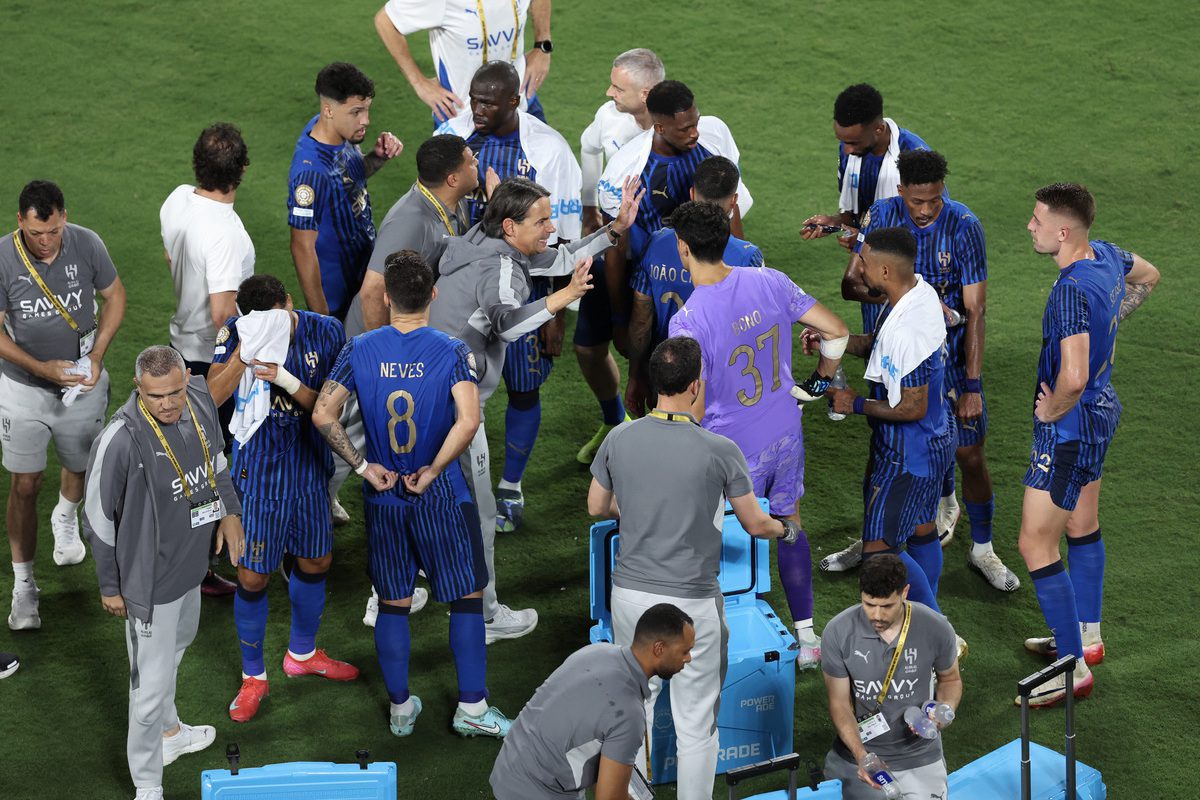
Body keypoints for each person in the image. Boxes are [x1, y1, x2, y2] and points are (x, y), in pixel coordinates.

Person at [429, 175, 642, 643]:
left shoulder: (478, 241)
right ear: (510, 226)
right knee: (481, 512)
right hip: (454, 406)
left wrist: (614, 228)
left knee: (419, 494)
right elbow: (507, 325)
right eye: (541, 220)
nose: (550, 227)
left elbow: (560, 256)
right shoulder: (502, 269)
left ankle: (401, 587)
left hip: (421, 389)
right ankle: (484, 617)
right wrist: (562, 297)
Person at [588, 336, 799, 800]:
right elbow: (755, 523)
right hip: (692, 605)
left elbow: (597, 506)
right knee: (697, 724)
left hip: (630, 600)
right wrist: (787, 531)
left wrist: (636, 509)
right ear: (696, 385)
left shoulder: (619, 437)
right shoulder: (719, 449)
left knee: (634, 712)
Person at [313, 250, 512, 739]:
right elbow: (468, 421)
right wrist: (433, 469)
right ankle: (472, 709)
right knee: (466, 597)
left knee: (393, 602)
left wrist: (362, 467)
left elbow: (322, 414)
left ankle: (401, 709)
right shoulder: (451, 350)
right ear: (434, 295)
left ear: (386, 297)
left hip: (383, 497)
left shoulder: (359, 348)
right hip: (440, 494)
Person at [823, 151, 1019, 593]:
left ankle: (980, 549)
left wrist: (971, 385)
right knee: (888, 463)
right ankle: (881, 537)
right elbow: (850, 283)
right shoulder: (882, 217)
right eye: (917, 201)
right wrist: (896, 301)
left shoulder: (964, 227)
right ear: (901, 193)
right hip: (891, 353)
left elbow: (976, 309)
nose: (926, 209)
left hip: (940, 362)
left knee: (966, 455)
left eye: (934, 199)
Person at [665, 201, 848, 669]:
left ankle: (717, 641)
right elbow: (837, 332)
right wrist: (820, 383)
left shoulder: (687, 321)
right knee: (789, 523)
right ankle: (808, 637)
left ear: (683, 248)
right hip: (784, 430)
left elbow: (696, 408)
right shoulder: (770, 280)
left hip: (730, 450)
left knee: (719, 536)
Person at [1016, 183, 1159, 706]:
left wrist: (1050, 411)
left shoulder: (1070, 291)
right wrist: (1110, 325)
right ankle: (1088, 638)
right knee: (1081, 523)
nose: (1030, 227)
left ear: (1063, 230)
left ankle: (1071, 668)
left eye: (1036, 220)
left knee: (1035, 543)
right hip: (1103, 411)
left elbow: (1072, 379)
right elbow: (1149, 276)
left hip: (1071, 427)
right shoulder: (1107, 256)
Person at [82, 346, 245, 800]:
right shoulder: (120, 438)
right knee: (148, 688)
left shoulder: (197, 399)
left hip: (191, 569)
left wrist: (229, 511)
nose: (169, 403)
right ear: (139, 388)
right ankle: (147, 784)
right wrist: (112, 586)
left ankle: (170, 734)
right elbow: (96, 519)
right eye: (157, 397)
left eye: (175, 391)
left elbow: (216, 460)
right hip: (148, 586)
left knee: (178, 647)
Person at [435, 61, 583, 532]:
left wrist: (557, 313)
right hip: (462, 293)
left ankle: (511, 487)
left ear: (515, 101)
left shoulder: (547, 149)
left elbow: (560, 235)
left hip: (523, 286)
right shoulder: (453, 136)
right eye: (473, 98)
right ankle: (448, 489)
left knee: (524, 388)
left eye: (487, 102)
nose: (476, 109)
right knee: (448, 400)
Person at [204, 275, 354, 723]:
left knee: (316, 562)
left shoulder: (325, 330)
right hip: (260, 469)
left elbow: (331, 410)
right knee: (251, 576)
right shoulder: (235, 331)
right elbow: (210, 396)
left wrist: (286, 380)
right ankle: (254, 677)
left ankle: (302, 654)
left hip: (308, 465)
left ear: (289, 302)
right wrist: (242, 355)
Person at [1, 180, 126, 630]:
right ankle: (24, 587)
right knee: (25, 484)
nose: (46, 242)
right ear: (21, 222)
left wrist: (95, 358)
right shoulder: (2, 257)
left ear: (63, 217)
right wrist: (41, 367)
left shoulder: (87, 243)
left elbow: (115, 297)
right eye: (37, 234)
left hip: (81, 383)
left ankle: (66, 516)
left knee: (80, 465)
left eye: (53, 231)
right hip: (22, 389)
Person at [824, 228, 955, 621]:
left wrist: (855, 404)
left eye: (862, 260)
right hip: (933, 441)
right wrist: (834, 341)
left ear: (883, 269)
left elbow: (912, 406)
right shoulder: (915, 293)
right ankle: (930, 612)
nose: (857, 267)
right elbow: (877, 345)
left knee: (878, 552)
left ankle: (937, 630)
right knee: (920, 529)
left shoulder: (909, 330)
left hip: (906, 454)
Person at [596, 79, 752, 361]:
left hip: (714, 278)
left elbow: (731, 205)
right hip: (659, 289)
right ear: (659, 128)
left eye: (696, 123)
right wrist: (619, 319)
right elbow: (615, 249)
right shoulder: (624, 174)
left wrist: (744, 273)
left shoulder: (714, 135)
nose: (695, 133)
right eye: (685, 129)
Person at [490, 603, 695, 800]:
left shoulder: (596, 652)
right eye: (684, 651)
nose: (689, 658)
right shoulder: (629, 713)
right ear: (659, 649)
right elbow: (610, 797)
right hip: (537, 790)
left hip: (508, 766)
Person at [573, 47, 665, 462]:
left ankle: (664, 439)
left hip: (659, 263)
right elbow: (588, 145)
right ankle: (614, 421)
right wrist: (589, 204)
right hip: (613, 248)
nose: (608, 92)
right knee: (589, 348)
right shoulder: (609, 118)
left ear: (646, 94)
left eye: (617, 86)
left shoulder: (679, 133)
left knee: (661, 355)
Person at [625, 155, 764, 417]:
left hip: (667, 379)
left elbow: (641, 320)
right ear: (734, 201)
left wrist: (635, 376)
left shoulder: (657, 243)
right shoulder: (748, 256)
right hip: (725, 386)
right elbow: (753, 328)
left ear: (691, 193)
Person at [821, 554, 961, 800]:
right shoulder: (838, 632)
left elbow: (950, 679)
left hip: (920, 757)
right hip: (858, 756)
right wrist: (862, 756)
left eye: (886, 606)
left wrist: (943, 713)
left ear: (904, 592)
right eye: (868, 604)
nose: (876, 615)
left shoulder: (935, 627)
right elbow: (839, 703)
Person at [288, 62, 403, 322]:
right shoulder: (310, 173)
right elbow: (301, 248)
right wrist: (323, 321)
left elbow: (350, 175)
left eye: (367, 110)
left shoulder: (339, 134)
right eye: (356, 112)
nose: (366, 120)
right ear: (328, 110)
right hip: (340, 301)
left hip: (364, 276)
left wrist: (377, 157)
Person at [343, 134, 479, 339]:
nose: (476, 162)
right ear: (453, 179)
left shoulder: (456, 200)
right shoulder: (410, 224)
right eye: (471, 161)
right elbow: (372, 294)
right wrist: (386, 353)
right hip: (374, 337)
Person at [161, 122, 254, 385]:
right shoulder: (224, 233)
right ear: (242, 167)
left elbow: (171, 258)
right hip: (213, 360)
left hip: (179, 345)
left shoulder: (177, 198)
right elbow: (222, 315)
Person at [800, 83, 932, 251]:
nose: (847, 150)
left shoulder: (917, 160)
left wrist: (866, 242)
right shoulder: (852, 151)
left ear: (879, 129)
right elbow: (856, 215)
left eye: (853, 143)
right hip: (871, 265)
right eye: (843, 141)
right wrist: (834, 222)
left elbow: (932, 231)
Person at [374, 0, 552, 123]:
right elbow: (386, 22)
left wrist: (542, 45)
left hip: (522, 107)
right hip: (466, 122)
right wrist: (419, 83)